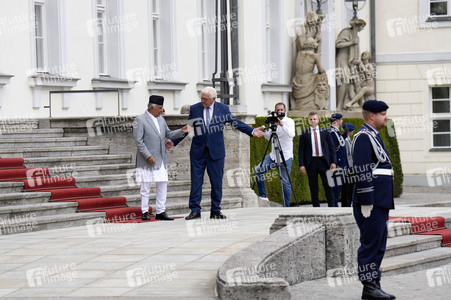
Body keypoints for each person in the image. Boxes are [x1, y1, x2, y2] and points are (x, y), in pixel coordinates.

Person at [174, 86, 264, 220]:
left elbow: (236, 123)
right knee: (196, 182)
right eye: (202, 98)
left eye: (205, 99)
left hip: (216, 152)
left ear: (213, 99)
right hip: (198, 152)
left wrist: (251, 131)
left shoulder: (223, 108)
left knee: (217, 183)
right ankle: (195, 210)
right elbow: (188, 127)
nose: (202, 101)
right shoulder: (195, 108)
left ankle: (215, 210)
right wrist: (173, 141)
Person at [352, 100, 396, 300]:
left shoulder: (373, 136)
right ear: (372, 116)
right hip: (371, 202)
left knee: (379, 244)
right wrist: (366, 199)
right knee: (370, 244)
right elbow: (361, 171)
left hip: (380, 200)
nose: (385, 117)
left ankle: (373, 285)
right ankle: (369, 287)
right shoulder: (363, 138)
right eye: (383, 114)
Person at [133, 95, 191, 221]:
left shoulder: (161, 120)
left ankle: (161, 211)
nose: (161, 111)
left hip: (161, 158)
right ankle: (144, 211)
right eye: (159, 108)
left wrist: (182, 130)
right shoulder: (140, 120)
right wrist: (148, 156)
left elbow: (168, 134)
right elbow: (139, 141)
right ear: (152, 107)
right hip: (146, 159)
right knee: (145, 186)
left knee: (162, 184)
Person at [254, 102, 295, 207]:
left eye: (281, 110)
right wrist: (265, 130)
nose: (280, 112)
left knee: (285, 182)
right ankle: (263, 196)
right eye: (278, 110)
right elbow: (269, 137)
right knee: (258, 170)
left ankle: (286, 206)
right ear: (275, 111)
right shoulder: (272, 121)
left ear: (285, 111)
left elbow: (291, 134)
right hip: (273, 155)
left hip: (285, 156)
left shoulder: (289, 121)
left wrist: (281, 124)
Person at [298, 111, 336, 207]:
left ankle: (332, 206)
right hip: (312, 163)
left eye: (315, 119)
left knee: (328, 185)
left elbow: (332, 148)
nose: (313, 121)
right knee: (313, 186)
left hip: (324, 162)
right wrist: (301, 164)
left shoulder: (325, 132)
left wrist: (333, 162)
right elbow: (301, 150)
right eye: (311, 119)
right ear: (308, 120)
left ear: (318, 120)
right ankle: (316, 207)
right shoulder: (304, 133)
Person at [335, 18, 366, 110]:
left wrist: (357, 62)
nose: (362, 28)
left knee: (350, 81)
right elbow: (338, 44)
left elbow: (356, 52)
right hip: (342, 58)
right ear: (357, 25)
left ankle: (349, 103)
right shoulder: (346, 32)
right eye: (362, 26)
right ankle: (339, 105)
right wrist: (351, 42)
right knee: (343, 80)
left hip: (350, 61)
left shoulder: (356, 36)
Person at [329, 113, 346, 207]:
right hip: (337, 164)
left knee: (338, 187)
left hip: (340, 163)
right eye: (341, 119)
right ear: (337, 121)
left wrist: (345, 135)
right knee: (336, 187)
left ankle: (335, 204)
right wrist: (334, 162)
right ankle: (334, 205)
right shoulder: (332, 132)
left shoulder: (336, 132)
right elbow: (333, 149)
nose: (342, 121)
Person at [340, 122, 355, 207]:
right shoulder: (345, 140)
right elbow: (348, 154)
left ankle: (348, 203)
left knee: (349, 187)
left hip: (349, 166)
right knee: (347, 187)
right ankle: (346, 204)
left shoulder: (348, 139)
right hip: (348, 167)